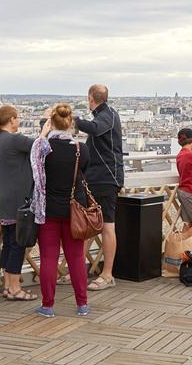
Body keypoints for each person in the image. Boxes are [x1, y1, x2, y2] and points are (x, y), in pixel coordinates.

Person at [30, 104, 90, 317]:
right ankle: (82, 303)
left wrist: (42, 134)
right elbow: (83, 173)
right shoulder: (80, 149)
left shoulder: (45, 149)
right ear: (70, 123)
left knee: (48, 258)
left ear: (51, 123)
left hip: (49, 211)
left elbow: (34, 161)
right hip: (75, 210)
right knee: (75, 257)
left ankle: (47, 305)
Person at [74, 84, 123, 292]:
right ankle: (79, 271)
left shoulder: (107, 115)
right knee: (88, 227)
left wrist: (74, 121)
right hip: (97, 178)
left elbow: (95, 129)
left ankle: (107, 274)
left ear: (90, 98)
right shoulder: (105, 114)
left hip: (106, 178)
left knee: (106, 226)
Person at [0, 105, 37, 301]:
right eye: (18, 118)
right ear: (12, 120)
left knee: (9, 243)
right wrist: (45, 127)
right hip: (18, 199)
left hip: (2, 197)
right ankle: (15, 288)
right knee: (18, 244)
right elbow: (39, 145)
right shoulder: (15, 140)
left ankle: (8, 286)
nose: (19, 121)